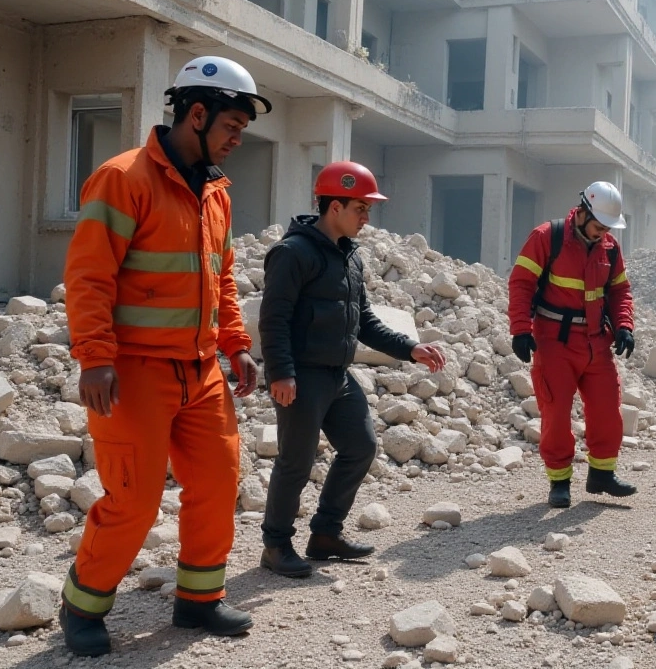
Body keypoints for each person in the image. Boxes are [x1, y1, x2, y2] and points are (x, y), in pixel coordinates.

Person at [59, 56, 272, 656]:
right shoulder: (123, 178)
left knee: (217, 480)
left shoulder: (216, 195)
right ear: (196, 114)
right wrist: (95, 357)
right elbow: (89, 276)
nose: (236, 139)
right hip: (132, 373)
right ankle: (83, 604)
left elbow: (222, 276)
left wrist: (235, 343)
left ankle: (199, 599)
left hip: (200, 370)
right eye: (231, 125)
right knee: (133, 496)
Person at [257, 161, 446, 578]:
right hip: (301, 377)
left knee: (360, 447)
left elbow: (365, 322)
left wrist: (411, 348)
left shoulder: (350, 258)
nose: (366, 218)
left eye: (368, 210)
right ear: (334, 206)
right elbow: (273, 320)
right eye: (361, 208)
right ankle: (275, 545)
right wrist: (281, 373)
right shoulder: (292, 254)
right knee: (296, 463)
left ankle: (325, 535)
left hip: (337, 377)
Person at [507, 181, 637, 509]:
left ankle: (602, 475)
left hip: (596, 342)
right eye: (598, 226)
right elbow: (521, 284)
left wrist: (624, 326)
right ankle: (560, 481)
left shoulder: (609, 247)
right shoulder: (546, 238)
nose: (602, 233)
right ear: (582, 213)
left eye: (608, 228)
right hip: (555, 342)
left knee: (608, 408)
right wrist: (521, 329)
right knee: (557, 412)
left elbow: (620, 291)